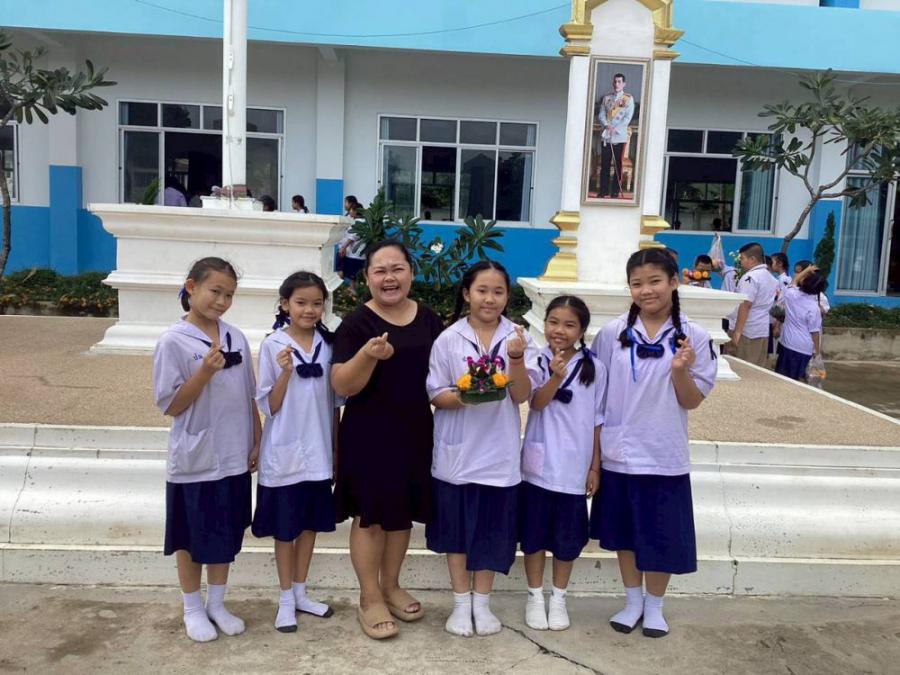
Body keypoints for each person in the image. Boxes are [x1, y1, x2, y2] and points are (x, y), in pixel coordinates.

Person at [590, 248, 717, 638]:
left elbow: (691, 401)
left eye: (655, 281)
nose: (646, 290)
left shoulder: (694, 337)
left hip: (663, 453)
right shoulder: (611, 334)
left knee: (661, 535)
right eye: (637, 283)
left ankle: (656, 606)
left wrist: (680, 370)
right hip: (620, 453)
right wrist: (595, 458)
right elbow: (595, 396)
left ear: (674, 282)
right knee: (625, 534)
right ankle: (632, 602)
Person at [331, 240, 445, 640]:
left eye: (397, 269)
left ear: (411, 273)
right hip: (369, 434)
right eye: (380, 270)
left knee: (401, 513)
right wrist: (367, 355)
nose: (389, 277)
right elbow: (342, 385)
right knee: (370, 516)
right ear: (367, 278)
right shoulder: (355, 324)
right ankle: (369, 596)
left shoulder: (429, 320)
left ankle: (391, 585)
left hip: (415, 430)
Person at [426, 260, 540, 638]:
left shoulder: (518, 337)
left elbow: (522, 395)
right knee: (457, 533)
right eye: (482, 291)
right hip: (457, 453)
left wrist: (516, 359)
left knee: (491, 532)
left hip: (497, 453)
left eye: (498, 292)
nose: (490, 299)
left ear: (507, 297)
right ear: (466, 294)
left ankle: (482, 603)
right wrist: (466, 396)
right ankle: (461, 603)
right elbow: (436, 394)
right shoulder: (448, 339)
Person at [152, 257, 261, 643]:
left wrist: (257, 439)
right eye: (215, 291)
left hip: (233, 455)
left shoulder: (236, 337)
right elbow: (171, 404)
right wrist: (205, 372)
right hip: (195, 459)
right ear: (191, 287)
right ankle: (192, 607)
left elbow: (249, 394)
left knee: (224, 533)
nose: (222, 301)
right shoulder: (173, 341)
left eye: (229, 295)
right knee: (190, 536)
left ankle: (217, 603)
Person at [251, 272, 338, 633]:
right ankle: (286, 598)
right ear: (285, 304)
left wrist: (336, 451)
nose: (309, 310)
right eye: (301, 302)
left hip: (319, 452)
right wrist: (285, 373)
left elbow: (335, 404)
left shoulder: (329, 345)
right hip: (284, 454)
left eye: (317, 303)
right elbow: (269, 406)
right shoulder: (273, 345)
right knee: (285, 531)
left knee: (309, 526)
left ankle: (301, 593)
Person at [520, 296, 606, 632]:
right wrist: (554, 378)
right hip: (538, 467)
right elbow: (536, 403)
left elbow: (597, 421)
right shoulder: (537, 360)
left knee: (567, 540)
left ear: (582, 331)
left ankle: (558, 597)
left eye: (570, 325)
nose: (560, 330)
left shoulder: (595, 368)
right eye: (553, 322)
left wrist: (595, 466)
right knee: (534, 536)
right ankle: (534, 595)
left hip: (574, 467)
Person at [776, 265, 827, 381]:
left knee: (781, 378)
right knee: (797, 380)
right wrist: (817, 353)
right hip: (803, 348)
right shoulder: (814, 308)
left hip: (787, 343)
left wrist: (807, 270)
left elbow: (794, 281)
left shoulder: (791, 294)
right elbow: (815, 332)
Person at [731, 242, 778, 366]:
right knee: (757, 366)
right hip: (762, 328)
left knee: (743, 367)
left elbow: (746, 305)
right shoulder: (771, 278)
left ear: (752, 259)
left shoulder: (751, 277)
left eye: (742, 258)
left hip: (748, 330)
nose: (741, 262)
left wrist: (737, 332)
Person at [598, 73, 635, 199]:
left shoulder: (628, 99)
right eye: (615, 81)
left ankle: (615, 191)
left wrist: (615, 129)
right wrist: (606, 125)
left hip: (619, 136)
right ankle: (603, 190)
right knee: (605, 164)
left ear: (624, 84)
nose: (616, 84)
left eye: (619, 82)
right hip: (607, 136)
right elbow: (601, 114)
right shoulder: (607, 98)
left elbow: (627, 118)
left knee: (617, 164)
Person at [338, 200, 366, 290]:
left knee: (353, 279)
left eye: (351, 210)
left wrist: (343, 247)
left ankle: (353, 294)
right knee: (357, 279)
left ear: (356, 211)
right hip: (361, 255)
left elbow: (352, 237)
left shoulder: (357, 223)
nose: (350, 212)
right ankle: (356, 293)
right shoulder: (365, 222)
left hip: (354, 255)